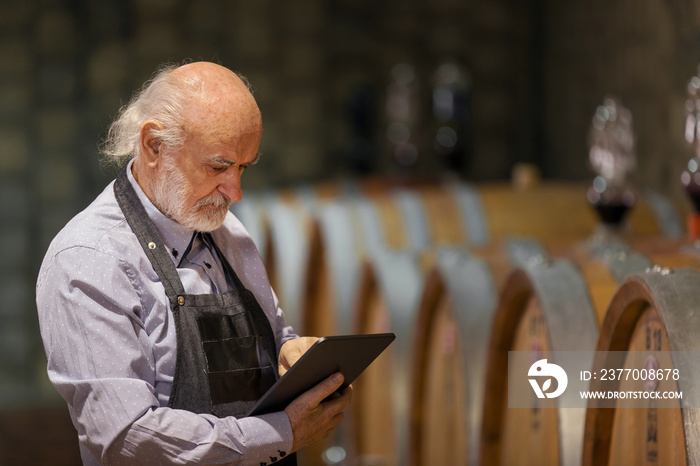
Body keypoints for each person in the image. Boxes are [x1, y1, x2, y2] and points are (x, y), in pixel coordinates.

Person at [36, 61, 352, 465]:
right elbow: (127, 438)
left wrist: (292, 352)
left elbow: (275, 334)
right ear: (154, 145)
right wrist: (281, 433)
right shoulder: (89, 259)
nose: (235, 191)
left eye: (243, 168)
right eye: (218, 166)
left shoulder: (228, 233)